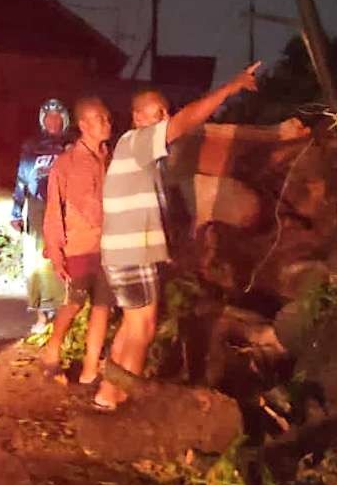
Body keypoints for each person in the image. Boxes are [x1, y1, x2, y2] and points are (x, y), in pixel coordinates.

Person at [93, 62, 261, 411]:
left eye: (165, 112)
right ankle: (129, 404)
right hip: (130, 255)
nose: (165, 118)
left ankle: (108, 394)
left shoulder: (140, 153)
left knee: (131, 323)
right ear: (139, 117)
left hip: (124, 253)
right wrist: (229, 88)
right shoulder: (138, 142)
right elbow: (185, 122)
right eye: (158, 114)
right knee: (145, 326)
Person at [39, 97, 113, 384]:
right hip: (79, 246)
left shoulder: (111, 159)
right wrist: (56, 251)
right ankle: (53, 348)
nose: (107, 124)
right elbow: (53, 209)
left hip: (108, 245)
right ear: (83, 125)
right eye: (100, 119)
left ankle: (90, 368)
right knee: (75, 302)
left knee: (103, 306)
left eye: (107, 119)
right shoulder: (66, 163)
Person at [11, 98, 71, 326]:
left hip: (65, 207)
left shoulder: (72, 144)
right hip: (37, 207)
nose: (53, 122)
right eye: (48, 117)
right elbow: (21, 180)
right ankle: (40, 312)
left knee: (62, 256)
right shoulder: (31, 146)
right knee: (36, 258)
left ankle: (62, 308)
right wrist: (16, 212)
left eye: (57, 117)